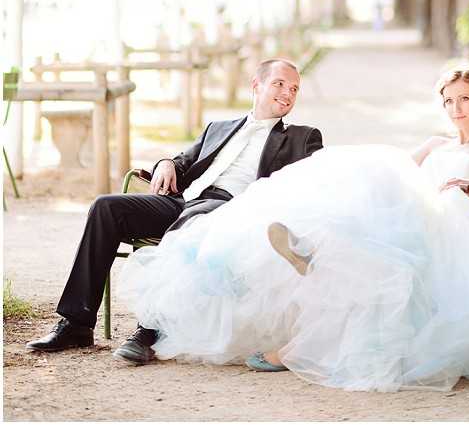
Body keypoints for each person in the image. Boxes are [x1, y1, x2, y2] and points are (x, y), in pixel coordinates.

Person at [116, 67, 469, 391]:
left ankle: (293, 339)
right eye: (448, 101)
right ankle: (307, 244)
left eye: (464, 99)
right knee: (367, 190)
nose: (454, 108)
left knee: (369, 254)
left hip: (451, 216)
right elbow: (398, 178)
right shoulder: (433, 141)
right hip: (414, 208)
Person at [26, 58, 323, 363]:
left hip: (229, 212)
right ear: (256, 85)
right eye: (279, 84)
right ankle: (77, 323)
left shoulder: (302, 138)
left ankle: (148, 331)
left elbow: (311, 183)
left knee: (193, 221)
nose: (288, 93)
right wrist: (166, 163)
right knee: (106, 208)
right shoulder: (218, 128)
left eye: (294, 89)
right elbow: (183, 162)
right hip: (183, 201)